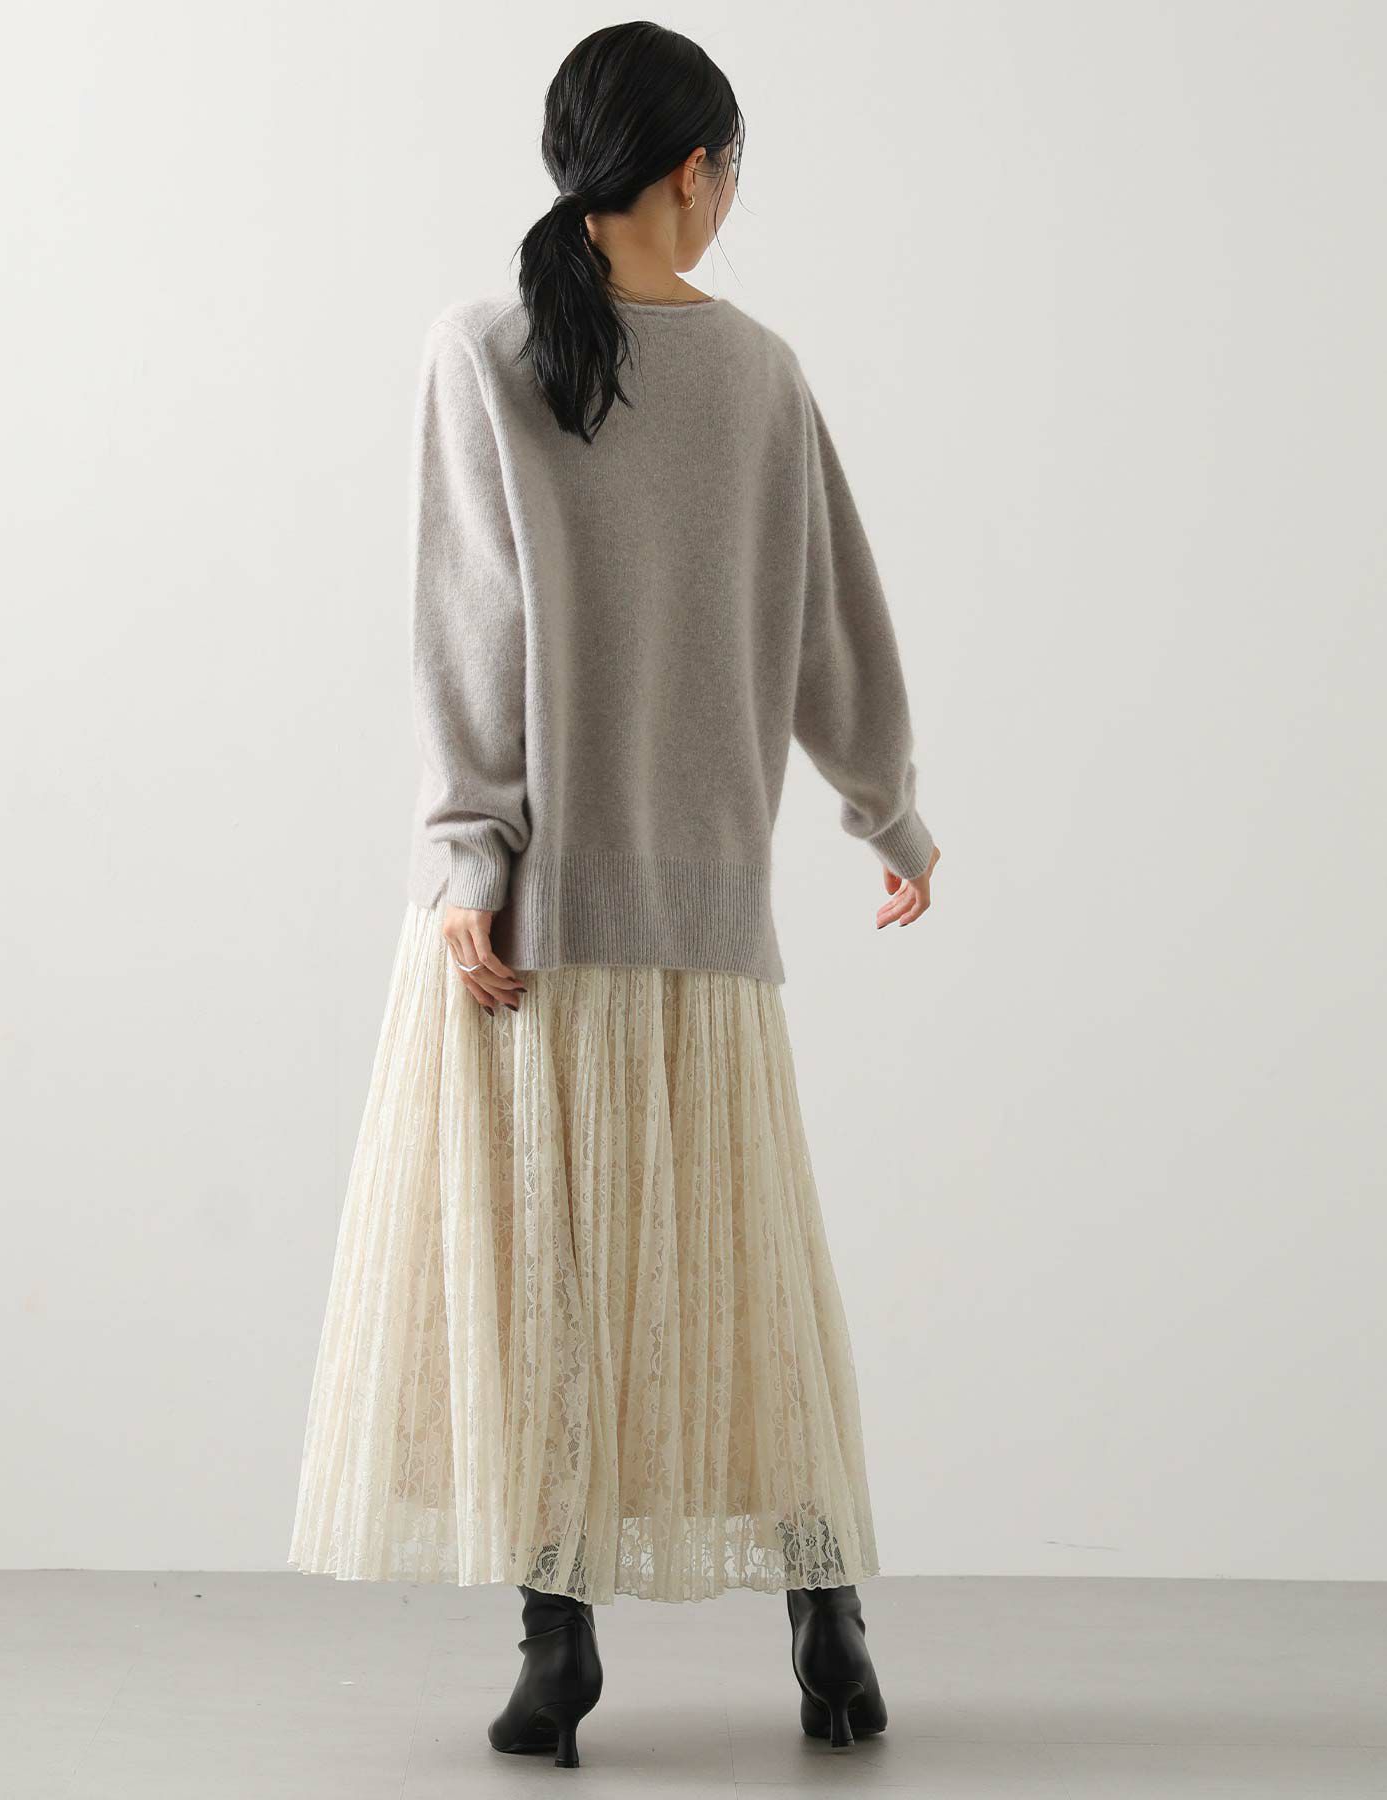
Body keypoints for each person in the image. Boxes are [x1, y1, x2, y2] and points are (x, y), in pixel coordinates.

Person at [289, 19, 941, 1771]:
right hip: (709, 922)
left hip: (538, 918)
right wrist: (890, 817)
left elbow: (466, 626)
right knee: (746, 1285)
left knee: (545, 1294)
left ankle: (555, 1648)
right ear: (695, 170)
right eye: (731, 172)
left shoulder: (481, 348)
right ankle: (829, 1627)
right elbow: (833, 627)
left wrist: (465, 853)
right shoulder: (762, 371)